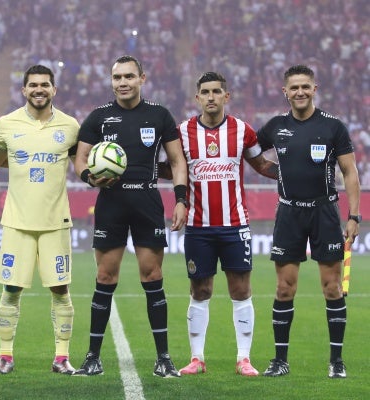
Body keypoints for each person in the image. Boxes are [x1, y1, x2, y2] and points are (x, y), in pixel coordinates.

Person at [73, 55, 188, 378]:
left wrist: (181, 200)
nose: (122, 82)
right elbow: (80, 159)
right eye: (117, 77)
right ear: (112, 81)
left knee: (152, 277)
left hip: (147, 201)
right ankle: (92, 357)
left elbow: (177, 161)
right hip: (110, 202)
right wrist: (89, 178)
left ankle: (163, 358)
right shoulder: (99, 117)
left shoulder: (159, 115)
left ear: (142, 79)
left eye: (128, 76)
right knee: (105, 277)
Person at [257, 65, 360, 378]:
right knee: (284, 288)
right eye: (294, 87)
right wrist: (276, 171)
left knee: (332, 288)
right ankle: (280, 361)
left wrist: (354, 216)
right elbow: (251, 154)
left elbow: (349, 171)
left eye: (305, 86)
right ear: (284, 92)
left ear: (315, 89)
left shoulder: (333, 127)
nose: (299, 92)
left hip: (324, 213)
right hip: (288, 213)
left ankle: (336, 362)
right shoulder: (275, 126)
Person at [174, 72, 278, 377]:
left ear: (226, 96)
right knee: (200, 289)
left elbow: (260, 164)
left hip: (235, 225)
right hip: (197, 226)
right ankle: (197, 358)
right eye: (204, 92)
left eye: (216, 91)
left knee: (241, 289)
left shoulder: (242, 130)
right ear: (197, 97)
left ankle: (243, 358)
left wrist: (294, 173)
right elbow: (173, 167)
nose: (210, 97)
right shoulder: (183, 132)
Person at [0, 64, 79, 375]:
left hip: (56, 223)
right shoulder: (6, 125)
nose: (39, 89)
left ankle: (61, 358)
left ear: (54, 90)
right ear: (23, 90)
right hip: (17, 224)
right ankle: (5, 357)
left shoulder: (71, 126)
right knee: (11, 290)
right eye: (33, 85)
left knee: (61, 290)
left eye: (45, 85)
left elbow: (84, 167)